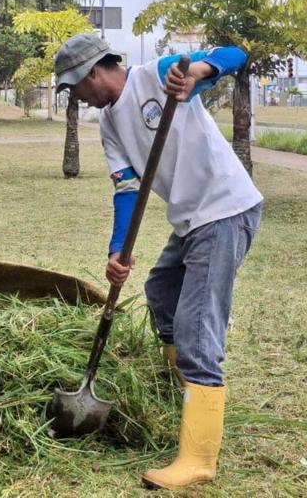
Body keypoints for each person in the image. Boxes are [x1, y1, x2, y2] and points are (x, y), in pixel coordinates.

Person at [54, 33, 263, 491]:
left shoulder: (157, 74)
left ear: (92, 73)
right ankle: (182, 394)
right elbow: (127, 189)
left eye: (74, 88)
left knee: (196, 327)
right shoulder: (109, 124)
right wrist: (117, 250)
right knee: (161, 293)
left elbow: (234, 55)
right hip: (192, 219)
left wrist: (196, 75)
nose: (76, 98)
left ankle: (198, 459)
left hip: (225, 209)